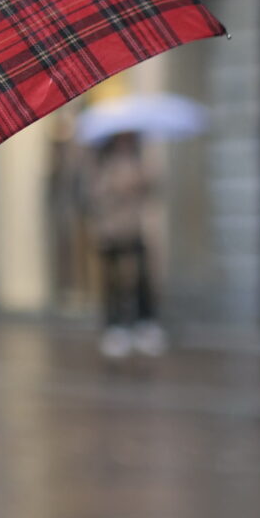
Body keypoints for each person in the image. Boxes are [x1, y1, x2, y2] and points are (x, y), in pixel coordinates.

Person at [88, 131, 165, 358]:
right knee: (112, 280)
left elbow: (152, 187)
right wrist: (116, 188)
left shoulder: (139, 161)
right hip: (110, 231)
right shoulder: (102, 164)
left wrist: (139, 181)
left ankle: (145, 323)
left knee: (141, 277)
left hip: (134, 228)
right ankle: (114, 326)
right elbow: (96, 194)